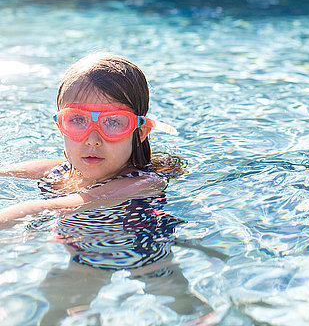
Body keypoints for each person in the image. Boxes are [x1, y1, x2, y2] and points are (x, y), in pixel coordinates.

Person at [0, 52, 211, 324]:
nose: (92, 139)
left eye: (113, 122)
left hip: (145, 258)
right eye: (77, 119)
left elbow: (43, 207)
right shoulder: (60, 169)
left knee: (187, 310)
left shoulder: (142, 182)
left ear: (140, 131)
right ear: (60, 126)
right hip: (85, 257)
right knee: (49, 308)